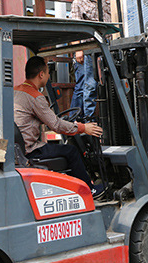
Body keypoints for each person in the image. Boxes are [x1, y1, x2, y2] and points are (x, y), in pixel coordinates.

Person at [15, 56, 105, 197]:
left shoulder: (16, 91)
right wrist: (83, 128)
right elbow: (56, 125)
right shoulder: (35, 97)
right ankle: (89, 190)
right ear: (41, 74)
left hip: (17, 149)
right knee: (71, 151)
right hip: (30, 150)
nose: (49, 76)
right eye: (48, 73)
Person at [69, 0, 110, 120]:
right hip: (88, 48)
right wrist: (78, 50)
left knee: (107, 82)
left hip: (106, 45)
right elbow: (75, 28)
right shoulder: (78, 3)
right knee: (86, 85)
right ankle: (79, 119)